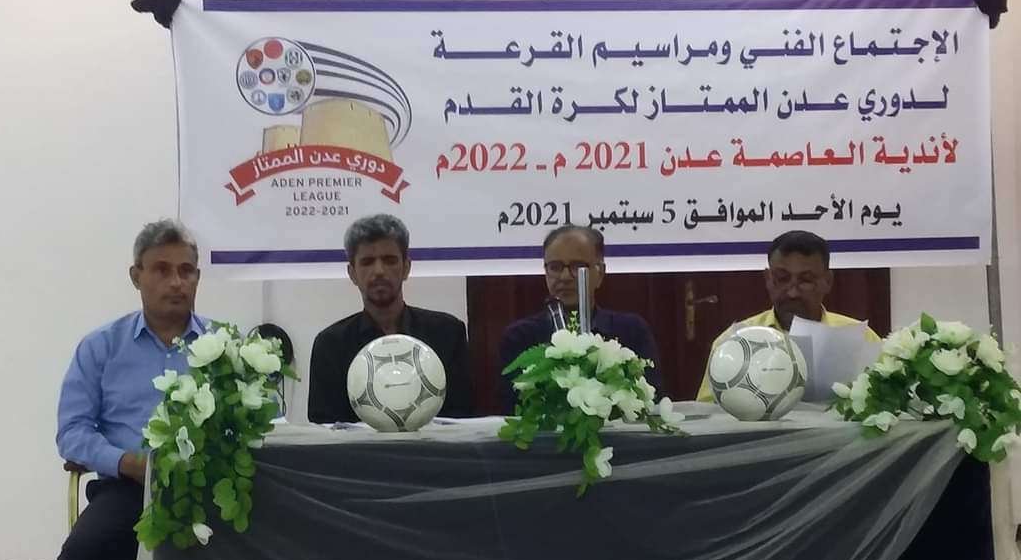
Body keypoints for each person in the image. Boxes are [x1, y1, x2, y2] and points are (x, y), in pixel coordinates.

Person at [57, 220, 209, 560]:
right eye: (161, 270)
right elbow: (72, 431)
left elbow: (267, 419)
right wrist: (125, 462)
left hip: (207, 489)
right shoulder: (100, 347)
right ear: (136, 276)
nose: (176, 282)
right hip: (130, 487)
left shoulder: (222, 346)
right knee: (82, 559)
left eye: (186, 270)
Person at [308, 214, 473, 423]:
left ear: (406, 268)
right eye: (367, 262)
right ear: (352, 273)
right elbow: (324, 427)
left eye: (389, 260)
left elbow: (461, 418)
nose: (379, 271)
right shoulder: (331, 345)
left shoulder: (447, 333)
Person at [696, 230, 880, 401]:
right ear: (768, 279)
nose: (793, 293)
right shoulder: (733, 342)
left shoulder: (861, 338)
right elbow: (709, 413)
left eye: (806, 280)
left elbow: (881, 408)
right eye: (782, 279)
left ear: (827, 281)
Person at [498, 224, 664, 414]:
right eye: (555, 267)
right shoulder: (520, 337)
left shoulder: (631, 330)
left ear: (600, 272)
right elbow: (512, 409)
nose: (565, 276)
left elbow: (651, 401)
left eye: (577, 266)